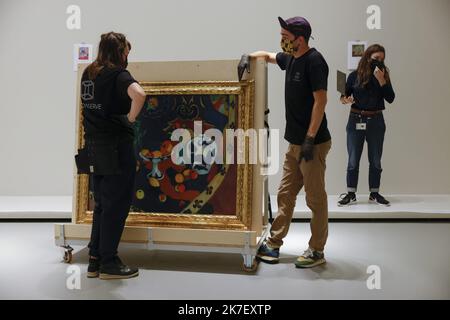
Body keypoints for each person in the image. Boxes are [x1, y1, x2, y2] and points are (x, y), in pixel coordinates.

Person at [238, 16, 331, 268]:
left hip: (312, 143)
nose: (281, 41)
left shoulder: (314, 61)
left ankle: (317, 250)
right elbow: (267, 55)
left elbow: (321, 101)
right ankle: (274, 243)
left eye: (285, 37)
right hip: (295, 143)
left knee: (315, 199)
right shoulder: (290, 59)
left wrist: (310, 139)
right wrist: (248, 56)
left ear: (299, 39)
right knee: (285, 193)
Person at [80, 32, 146, 279]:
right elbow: (139, 94)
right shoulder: (119, 75)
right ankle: (109, 262)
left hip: (94, 147)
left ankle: (95, 260)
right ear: (119, 52)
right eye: (127, 52)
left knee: (101, 205)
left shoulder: (89, 73)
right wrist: (129, 119)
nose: (128, 57)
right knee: (116, 205)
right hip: (117, 147)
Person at [338, 44, 395, 207]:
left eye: (382, 59)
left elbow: (391, 98)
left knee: (376, 160)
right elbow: (343, 96)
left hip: (376, 120)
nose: (379, 62)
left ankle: (374, 193)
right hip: (356, 119)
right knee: (353, 159)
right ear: (367, 57)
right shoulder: (354, 75)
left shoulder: (383, 75)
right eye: (376, 58)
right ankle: (351, 194)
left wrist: (382, 81)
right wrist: (345, 99)